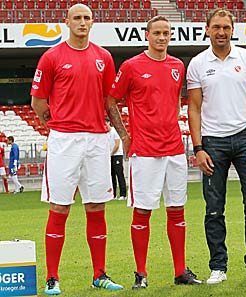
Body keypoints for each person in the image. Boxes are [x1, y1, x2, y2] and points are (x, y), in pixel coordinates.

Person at [30, 4, 123, 295]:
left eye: (87, 18)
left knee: (96, 206)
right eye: (77, 18)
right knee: (60, 206)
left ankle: (99, 274)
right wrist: (55, 125)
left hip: (97, 138)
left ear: (92, 23)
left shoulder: (104, 57)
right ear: (66, 22)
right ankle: (52, 277)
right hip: (64, 140)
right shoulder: (51, 57)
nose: (82, 22)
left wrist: (122, 134)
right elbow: (38, 102)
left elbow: (110, 101)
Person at [107, 15, 202, 289]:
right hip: (145, 151)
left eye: (166, 33)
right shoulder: (131, 66)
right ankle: (140, 273)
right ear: (146, 35)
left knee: (177, 210)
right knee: (143, 211)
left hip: (173, 149)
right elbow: (111, 101)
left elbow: (173, 102)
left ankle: (180, 271)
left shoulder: (177, 66)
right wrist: (125, 135)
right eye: (157, 33)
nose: (162, 37)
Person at [187, 8, 246, 284]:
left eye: (226, 27)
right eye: (216, 27)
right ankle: (218, 267)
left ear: (232, 29)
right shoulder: (198, 63)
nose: (222, 32)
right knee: (214, 207)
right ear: (207, 29)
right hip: (212, 143)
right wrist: (198, 147)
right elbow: (194, 108)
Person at [106, 118, 127, 200]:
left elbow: (117, 144)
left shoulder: (114, 131)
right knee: (112, 175)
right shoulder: (106, 133)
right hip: (110, 156)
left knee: (119, 174)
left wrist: (111, 153)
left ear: (108, 123)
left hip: (117, 155)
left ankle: (123, 194)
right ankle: (113, 194)